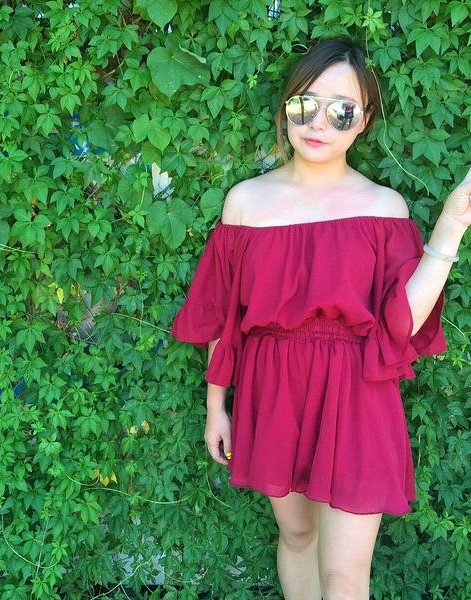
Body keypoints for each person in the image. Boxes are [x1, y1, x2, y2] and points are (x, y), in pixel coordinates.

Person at [171, 35, 470, 600]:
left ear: (364, 121)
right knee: (297, 534)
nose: (318, 123)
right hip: (273, 391)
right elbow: (223, 318)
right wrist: (216, 406)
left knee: (345, 575)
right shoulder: (245, 203)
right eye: (304, 104)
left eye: (342, 111)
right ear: (286, 107)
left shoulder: (383, 208)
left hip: (358, 393)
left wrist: (450, 229)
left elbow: (402, 323)